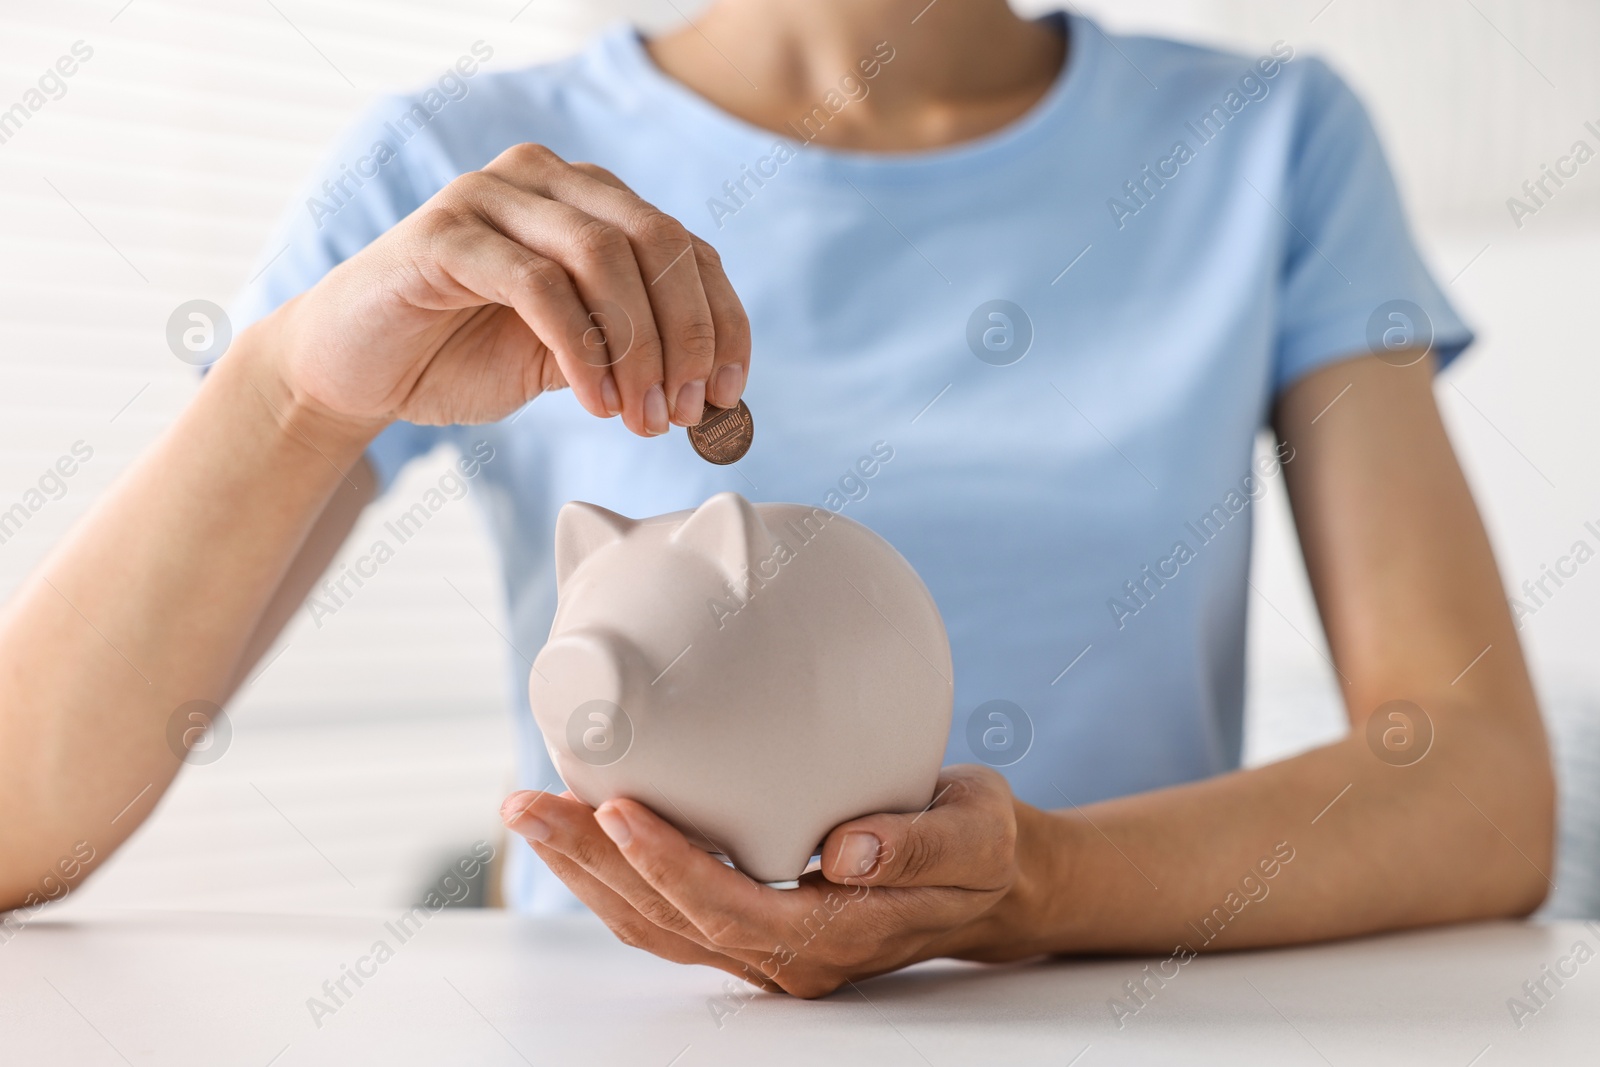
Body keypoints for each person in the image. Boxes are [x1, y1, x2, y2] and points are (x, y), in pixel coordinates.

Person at [0, 0, 1552, 999]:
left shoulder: (1268, 144)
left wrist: (1029, 887)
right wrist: (291, 393)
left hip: (1115, 1023)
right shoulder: (457, 171)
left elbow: (1476, 791)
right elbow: (19, 831)